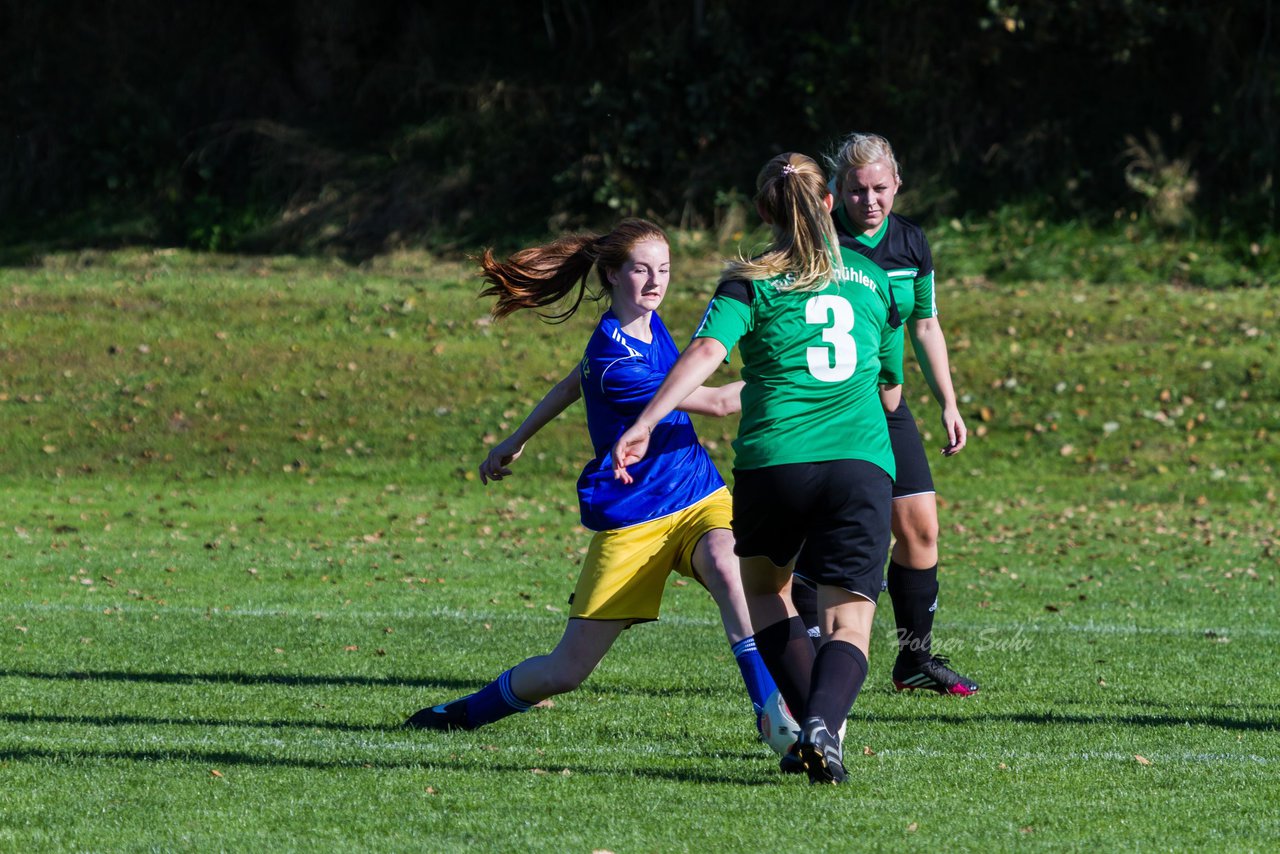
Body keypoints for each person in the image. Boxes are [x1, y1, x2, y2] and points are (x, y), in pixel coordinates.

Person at [403, 218, 778, 734]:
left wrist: (516, 438)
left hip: (699, 494)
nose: (655, 282)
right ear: (610, 276)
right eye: (641, 271)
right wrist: (793, 378)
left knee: (730, 568)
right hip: (635, 520)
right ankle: (467, 711)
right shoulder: (614, 360)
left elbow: (567, 385)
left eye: (664, 269)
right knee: (567, 670)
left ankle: (770, 713)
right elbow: (713, 401)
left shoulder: (644, 325)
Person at [613, 153, 903, 784]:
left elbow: (708, 352)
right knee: (847, 618)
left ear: (765, 212)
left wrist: (644, 422)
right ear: (830, 203)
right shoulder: (875, 278)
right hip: (860, 463)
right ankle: (824, 727)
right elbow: (889, 387)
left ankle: (808, 732)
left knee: (767, 591)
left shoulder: (749, 279)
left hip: (776, 464)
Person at [791, 132, 978, 696]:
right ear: (835, 193)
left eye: (879, 188)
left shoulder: (911, 243)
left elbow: (924, 325)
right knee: (829, 541)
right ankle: (809, 640)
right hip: (830, 409)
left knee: (921, 531)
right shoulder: (818, 244)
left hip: (888, 407)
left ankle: (914, 659)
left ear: (897, 185)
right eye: (855, 190)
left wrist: (948, 400)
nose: (868, 201)